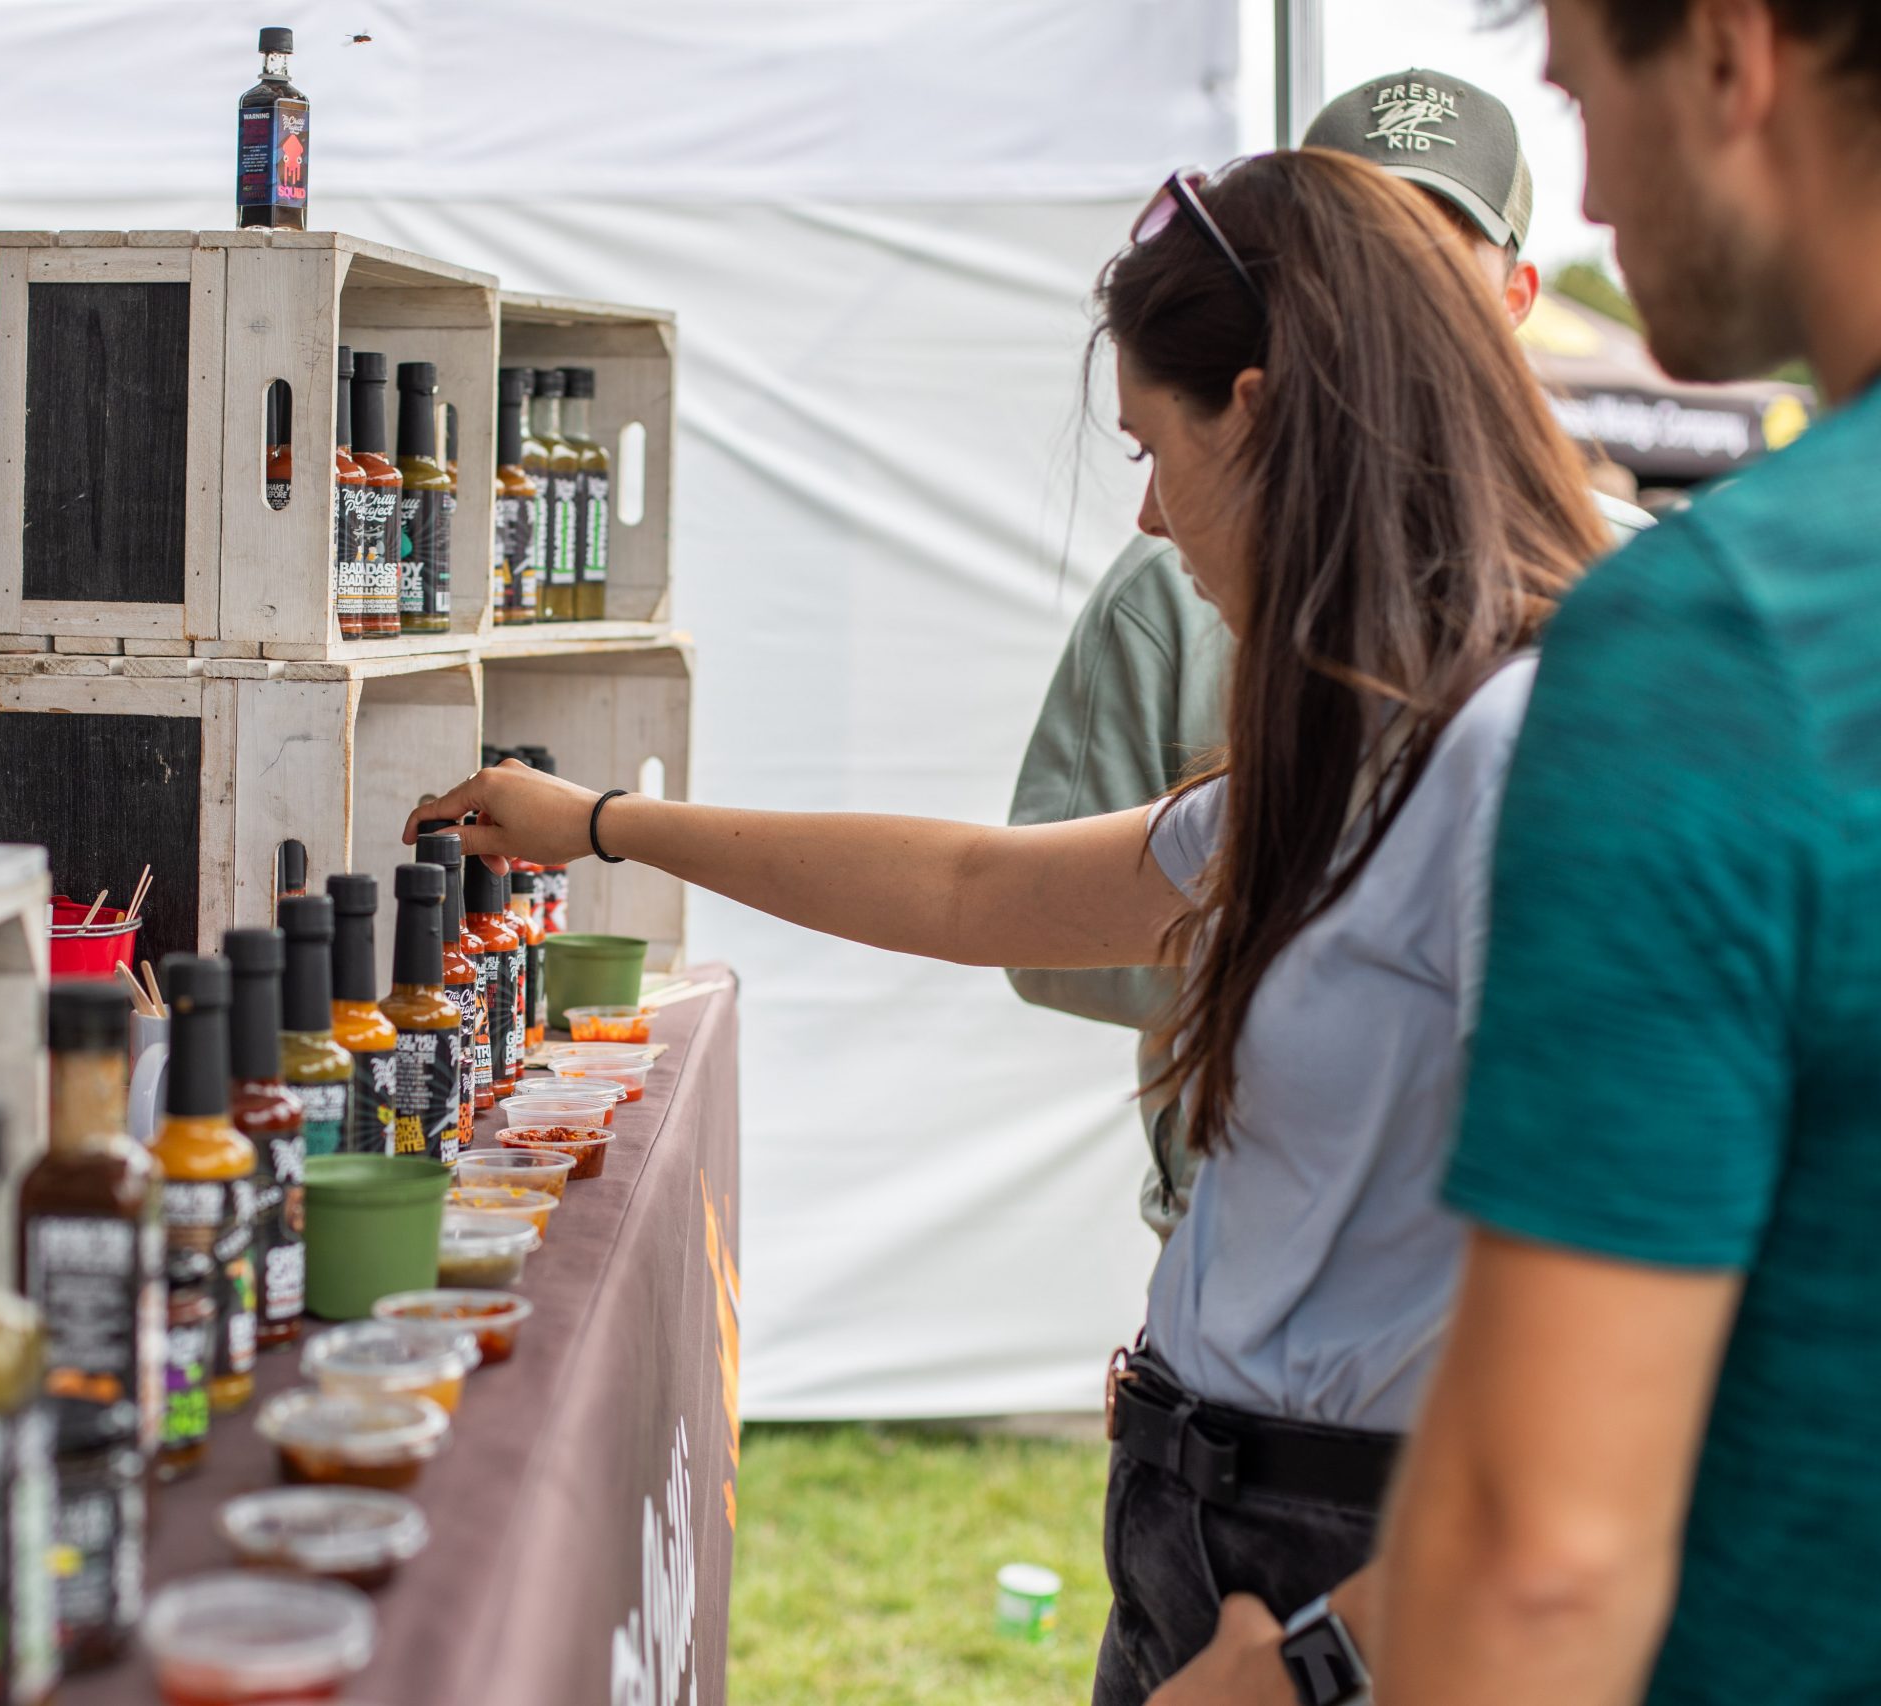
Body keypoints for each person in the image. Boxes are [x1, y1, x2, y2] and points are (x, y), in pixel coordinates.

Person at [406, 149, 1610, 1704]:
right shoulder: (1359, 750)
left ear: (1258, 413)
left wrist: (1320, 1663)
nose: (1152, 513)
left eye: (1154, 448)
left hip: (1336, 1580)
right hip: (1219, 1531)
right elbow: (977, 889)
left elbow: (1615, 1381)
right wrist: (599, 823)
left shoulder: (1515, 759)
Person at [1364, 2, 1881, 1703]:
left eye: (1585, 103)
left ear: (1730, 57)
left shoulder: (1723, 635)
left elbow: (1541, 1558)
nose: (1588, 200)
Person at [1008, 66, 1650, 1244]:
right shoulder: (1165, 582)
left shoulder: (1641, 596)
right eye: (1357, 253)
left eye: (1432, 258)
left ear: (1513, 296)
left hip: (1487, 1270)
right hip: (1237, 1241)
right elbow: (1027, 921)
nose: (1385, 298)